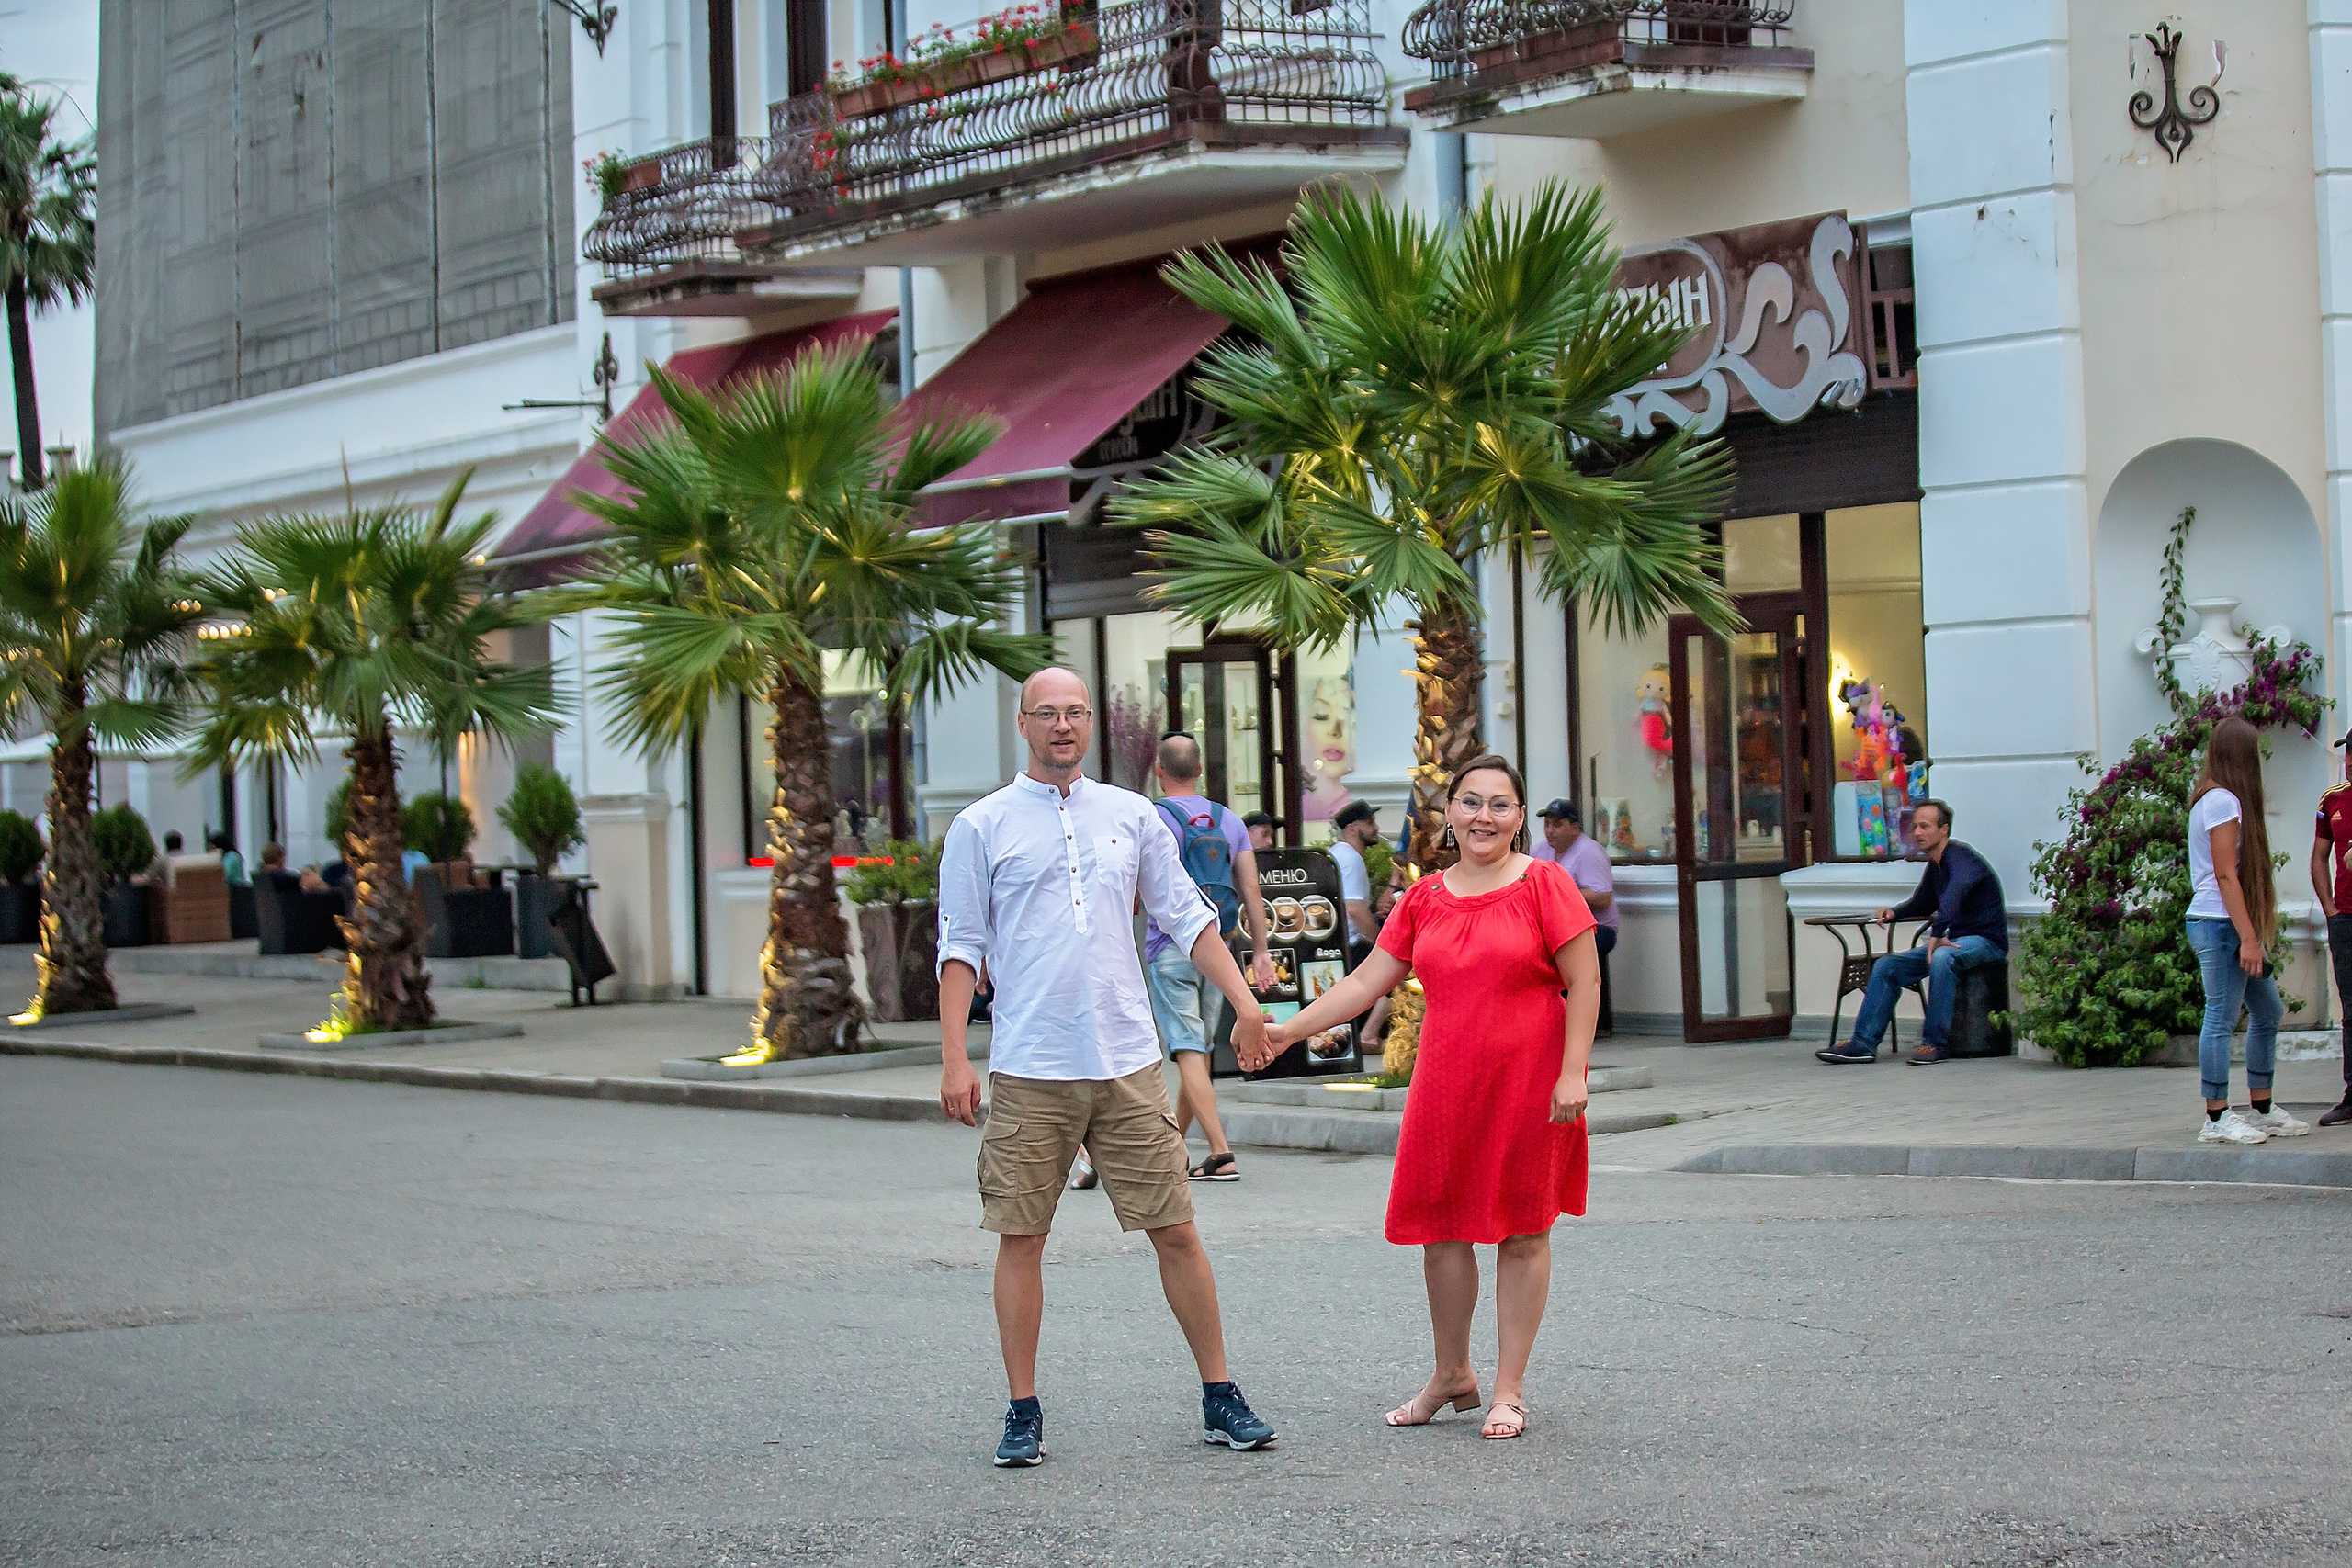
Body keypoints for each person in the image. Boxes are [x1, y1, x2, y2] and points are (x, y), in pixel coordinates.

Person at [936, 667, 1280, 1468]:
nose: (1062, 725)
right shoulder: (981, 825)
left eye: (1075, 713)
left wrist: (1246, 1003)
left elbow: (1187, 915)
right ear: (1023, 724)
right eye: (1046, 713)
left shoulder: (1132, 814)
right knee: (1022, 1236)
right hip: (1031, 1064)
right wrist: (955, 1057)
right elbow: (961, 945)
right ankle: (1023, 1409)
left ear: (1090, 722)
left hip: (1127, 1060)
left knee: (1177, 1230)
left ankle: (1220, 1394)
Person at [1265, 754, 1599, 1441]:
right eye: (1471, 802)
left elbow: (1586, 981)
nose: (1484, 817)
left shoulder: (1545, 883)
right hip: (1446, 1085)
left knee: (1523, 1229)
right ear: (1448, 812)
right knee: (1441, 1231)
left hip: (1531, 1080)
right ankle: (1452, 1374)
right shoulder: (1423, 899)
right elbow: (1366, 982)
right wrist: (1288, 1031)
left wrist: (1574, 1072)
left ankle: (1508, 1389)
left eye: (1500, 805)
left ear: (1519, 816)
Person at [1129, 733, 1276, 1184]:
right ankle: (1175, 1147)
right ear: (1198, 771)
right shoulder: (1228, 820)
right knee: (1200, 1049)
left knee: (1188, 1048)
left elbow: (1133, 894)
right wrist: (1261, 952)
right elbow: (1250, 890)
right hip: (1220, 948)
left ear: (1159, 772)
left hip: (1169, 946)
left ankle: (1220, 1151)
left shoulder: (1152, 818)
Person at [2185, 716, 2306, 1143]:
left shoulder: (2212, 797)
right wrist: (2249, 939)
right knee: (2220, 1018)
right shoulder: (2223, 801)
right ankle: (2217, 1117)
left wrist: (2249, 934)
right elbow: (2225, 874)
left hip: (2224, 922)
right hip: (2219, 923)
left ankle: (2262, 1107)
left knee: (2268, 1010)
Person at [1815, 799, 2007, 1066]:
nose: (1917, 832)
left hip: (1986, 941)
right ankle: (1863, 1044)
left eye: (1925, 826)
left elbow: (1956, 891)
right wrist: (1895, 912)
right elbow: (1922, 903)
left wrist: (1938, 932)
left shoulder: (1961, 858)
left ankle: (1935, 1044)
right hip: (1955, 940)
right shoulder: (1935, 866)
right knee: (1887, 966)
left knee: (1942, 957)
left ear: (1944, 830)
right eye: (1914, 826)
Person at [2308, 730, 2352, 1127]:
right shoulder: (2332, 801)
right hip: (2346, 920)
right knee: (2351, 1010)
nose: (2350, 761)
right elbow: (2319, 857)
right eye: (2348, 753)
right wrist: (2330, 910)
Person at [1329, 799, 1382, 953]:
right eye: (1370, 823)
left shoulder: (1338, 853)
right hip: (1352, 946)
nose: (1376, 828)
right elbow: (1354, 908)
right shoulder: (1351, 858)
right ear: (1351, 829)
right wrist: (1380, 946)